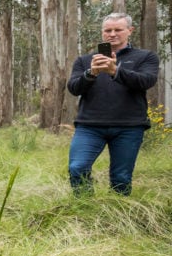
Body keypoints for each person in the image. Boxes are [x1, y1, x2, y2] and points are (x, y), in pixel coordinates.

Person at [66, 12, 159, 195]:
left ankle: (116, 215)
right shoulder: (85, 61)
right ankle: (86, 208)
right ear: (102, 33)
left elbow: (146, 81)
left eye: (118, 29)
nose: (112, 34)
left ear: (130, 31)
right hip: (89, 126)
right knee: (77, 167)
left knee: (121, 178)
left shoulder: (146, 57)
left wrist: (114, 70)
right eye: (108, 30)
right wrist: (91, 73)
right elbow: (74, 88)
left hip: (129, 127)